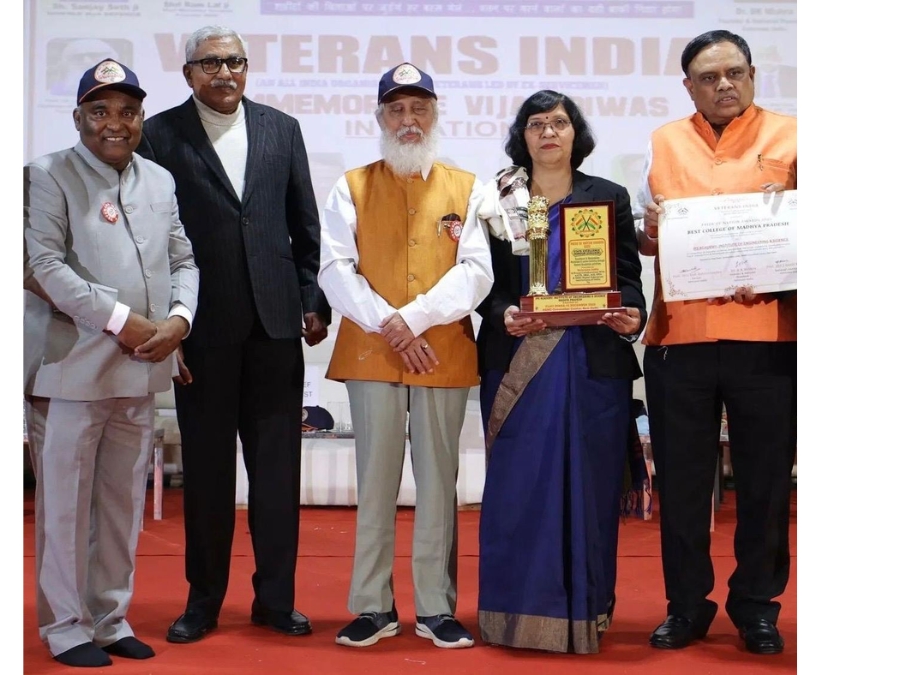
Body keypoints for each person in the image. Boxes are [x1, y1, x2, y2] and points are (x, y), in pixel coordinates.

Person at [136, 24, 331, 642]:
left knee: (277, 475)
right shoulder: (159, 134)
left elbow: (304, 224)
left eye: (236, 61)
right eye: (211, 63)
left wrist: (312, 299)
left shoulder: (282, 129)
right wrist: (169, 325)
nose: (225, 72)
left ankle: (276, 600)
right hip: (200, 330)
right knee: (208, 475)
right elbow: (151, 243)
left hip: (275, 326)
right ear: (188, 73)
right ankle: (203, 602)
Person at [23, 58, 200, 668]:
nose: (114, 123)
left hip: (142, 369)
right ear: (78, 118)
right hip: (69, 370)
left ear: (141, 118)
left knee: (122, 505)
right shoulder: (46, 175)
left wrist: (180, 320)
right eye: (99, 111)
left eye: (127, 111)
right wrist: (126, 321)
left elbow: (183, 260)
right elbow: (43, 266)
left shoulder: (160, 179)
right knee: (65, 507)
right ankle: (65, 627)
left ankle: (109, 618)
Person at [319, 62, 493, 649]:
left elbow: (476, 271)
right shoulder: (351, 185)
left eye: (419, 108)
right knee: (374, 481)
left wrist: (412, 319)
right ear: (380, 118)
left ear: (435, 114)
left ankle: (436, 608)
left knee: (440, 482)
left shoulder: (467, 187)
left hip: (441, 350)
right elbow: (334, 268)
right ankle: (373, 606)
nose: (408, 119)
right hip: (372, 352)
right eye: (396, 109)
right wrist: (389, 325)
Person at [633, 30, 797, 655]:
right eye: (708, 77)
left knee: (765, 484)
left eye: (734, 73)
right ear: (688, 87)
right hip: (682, 337)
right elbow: (651, 236)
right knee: (681, 483)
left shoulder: (794, 137)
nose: (723, 85)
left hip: (769, 334)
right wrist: (651, 232)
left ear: (753, 75)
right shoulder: (663, 141)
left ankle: (757, 607)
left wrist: (785, 248)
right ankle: (686, 606)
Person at [473, 90, 647, 654]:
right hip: (519, 365)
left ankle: (586, 613)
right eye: (536, 124)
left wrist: (632, 315)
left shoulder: (608, 197)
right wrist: (503, 313)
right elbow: (482, 283)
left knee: (591, 491)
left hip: (593, 366)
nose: (548, 132)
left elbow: (627, 278)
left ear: (577, 133)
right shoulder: (499, 200)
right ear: (521, 136)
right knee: (519, 490)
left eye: (559, 122)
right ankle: (515, 614)